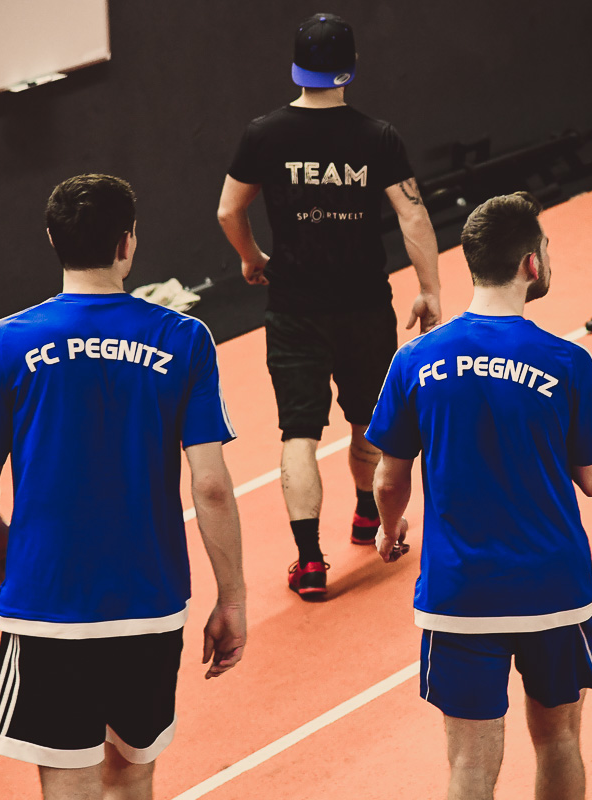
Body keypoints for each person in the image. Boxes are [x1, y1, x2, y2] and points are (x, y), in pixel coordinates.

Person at [0, 174, 247, 800]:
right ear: (127, 243)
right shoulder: (184, 339)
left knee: (71, 785)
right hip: (150, 601)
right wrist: (233, 598)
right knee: (133, 774)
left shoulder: (5, 342)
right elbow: (211, 487)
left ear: (52, 239)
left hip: (49, 602)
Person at [366, 192, 592, 800]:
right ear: (532, 264)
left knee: (469, 766)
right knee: (558, 740)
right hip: (552, 588)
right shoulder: (567, 362)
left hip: (461, 593)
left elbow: (388, 476)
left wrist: (389, 525)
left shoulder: (415, 360)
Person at [216, 12, 442, 601]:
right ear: (351, 67)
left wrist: (251, 256)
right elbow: (413, 215)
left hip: (294, 307)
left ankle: (310, 561)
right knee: (369, 417)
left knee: (299, 433)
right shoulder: (376, 137)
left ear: (295, 66)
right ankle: (368, 512)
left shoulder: (263, 133)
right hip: (365, 303)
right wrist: (430, 289)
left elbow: (227, 210)